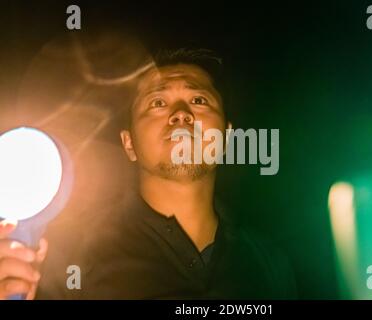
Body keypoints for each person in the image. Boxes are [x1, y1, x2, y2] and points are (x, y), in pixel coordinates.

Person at [0, 48, 297, 299]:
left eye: (199, 100)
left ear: (228, 138)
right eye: (158, 103)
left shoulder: (271, 263)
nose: (181, 114)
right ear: (129, 144)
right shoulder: (66, 261)